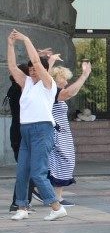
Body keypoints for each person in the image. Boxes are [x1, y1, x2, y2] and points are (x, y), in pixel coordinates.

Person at [7, 30, 67, 221]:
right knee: (22, 170)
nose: (32, 69)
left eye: (36, 67)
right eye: (30, 67)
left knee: (38, 172)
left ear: (43, 69)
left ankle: (56, 207)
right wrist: (10, 44)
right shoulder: (26, 84)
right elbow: (11, 66)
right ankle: (22, 207)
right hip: (26, 130)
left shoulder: (48, 84)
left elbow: (36, 59)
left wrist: (25, 39)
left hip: (43, 130)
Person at [47, 60, 92, 204]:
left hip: (62, 133)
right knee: (60, 162)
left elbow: (71, 91)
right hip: (57, 133)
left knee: (62, 162)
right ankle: (55, 197)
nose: (66, 81)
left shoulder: (56, 93)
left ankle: (55, 195)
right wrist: (84, 75)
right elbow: (71, 91)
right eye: (64, 78)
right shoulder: (52, 92)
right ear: (56, 78)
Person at [7, 61, 34, 213]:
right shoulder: (21, 90)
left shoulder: (14, 89)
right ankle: (19, 202)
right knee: (27, 170)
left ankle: (21, 201)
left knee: (27, 169)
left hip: (16, 132)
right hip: (23, 132)